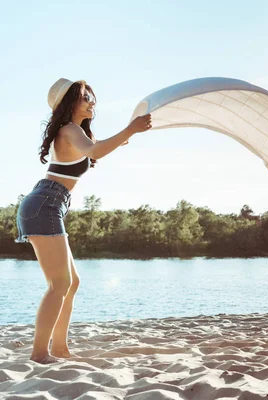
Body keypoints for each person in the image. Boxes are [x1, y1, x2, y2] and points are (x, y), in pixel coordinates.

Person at [15, 78, 152, 363]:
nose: (92, 102)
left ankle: (61, 349)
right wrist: (131, 129)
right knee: (59, 284)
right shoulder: (69, 129)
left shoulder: (75, 132)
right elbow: (95, 151)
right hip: (45, 204)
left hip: (50, 204)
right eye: (85, 97)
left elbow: (96, 147)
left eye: (92, 97)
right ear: (70, 103)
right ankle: (40, 354)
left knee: (70, 283)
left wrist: (124, 135)